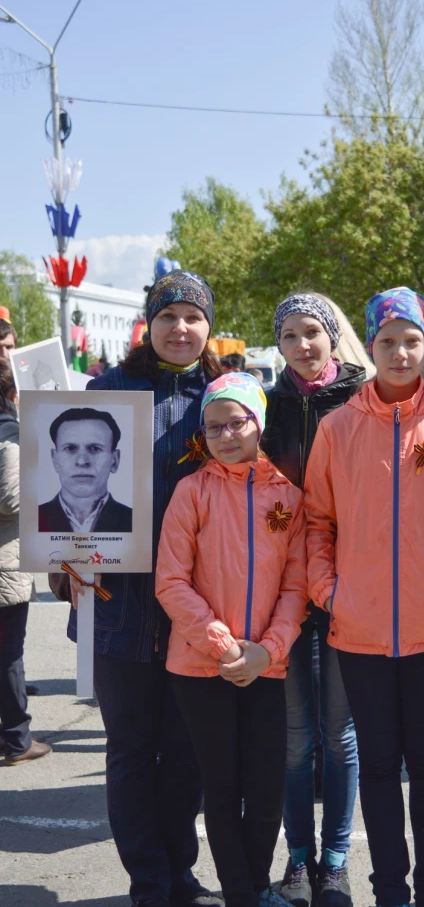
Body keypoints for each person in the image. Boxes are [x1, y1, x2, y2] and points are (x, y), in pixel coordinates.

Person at [305, 287, 424, 907]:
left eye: (412, 340)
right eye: (388, 341)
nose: (401, 352)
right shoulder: (337, 428)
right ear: (371, 345)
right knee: (378, 766)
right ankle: (390, 892)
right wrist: (331, 591)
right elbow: (315, 522)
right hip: (357, 630)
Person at [49, 270, 221, 907]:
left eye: (193, 317)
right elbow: (65, 485)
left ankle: (181, 873)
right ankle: (148, 883)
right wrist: (59, 557)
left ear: (209, 327)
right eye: (169, 316)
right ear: (150, 325)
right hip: (117, 608)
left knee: (187, 755)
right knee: (128, 751)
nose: (181, 329)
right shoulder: (108, 390)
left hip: (197, 608)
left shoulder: (224, 398)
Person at [156, 372, 307, 907]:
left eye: (236, 422)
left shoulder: (288, 497)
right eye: (213, 426)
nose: (225, 435)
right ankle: (241, 894)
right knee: (220, 789)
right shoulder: (191, 491)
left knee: (266, 789)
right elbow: (171, 582)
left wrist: (268, 649)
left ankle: (258, 882)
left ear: (258, 423)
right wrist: (225, 647)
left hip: (266, 665)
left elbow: (296, 584)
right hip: (201, 668)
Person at [262, 293, 366, 907]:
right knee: (296, 735)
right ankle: (297, 861)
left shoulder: (362, 396)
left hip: (349, 583)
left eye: (312, 332)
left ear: (331, 335)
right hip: (282, 586)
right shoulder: (267, 405)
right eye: (290, 336)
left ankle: (337, 859)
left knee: (340, 731)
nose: (303, 345)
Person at [0, 361, 52, 765]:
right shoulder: (8, 432)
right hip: (4, 561)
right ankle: (17, 740)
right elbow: (12, 499)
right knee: (8, 654)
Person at [38, 408, 132, 533]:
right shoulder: (34, 519)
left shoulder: (133, 521)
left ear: (114, 460)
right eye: (70, 448)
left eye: (95, 448)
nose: (82, 461)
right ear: (55, 459)